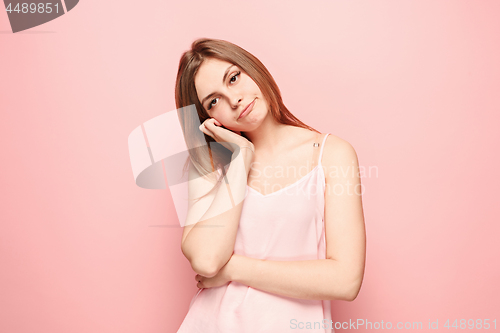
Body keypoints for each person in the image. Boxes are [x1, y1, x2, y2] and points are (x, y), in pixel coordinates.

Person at [175, 38, 366, 333]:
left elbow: (346, 279)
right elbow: (206, 260)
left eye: (234, 78)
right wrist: (241, 160)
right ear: (208, 119)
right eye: (214, 101)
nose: (234, 99)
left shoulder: (331, 153)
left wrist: (234, 269)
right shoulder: (210, 166)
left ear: (253, 69)